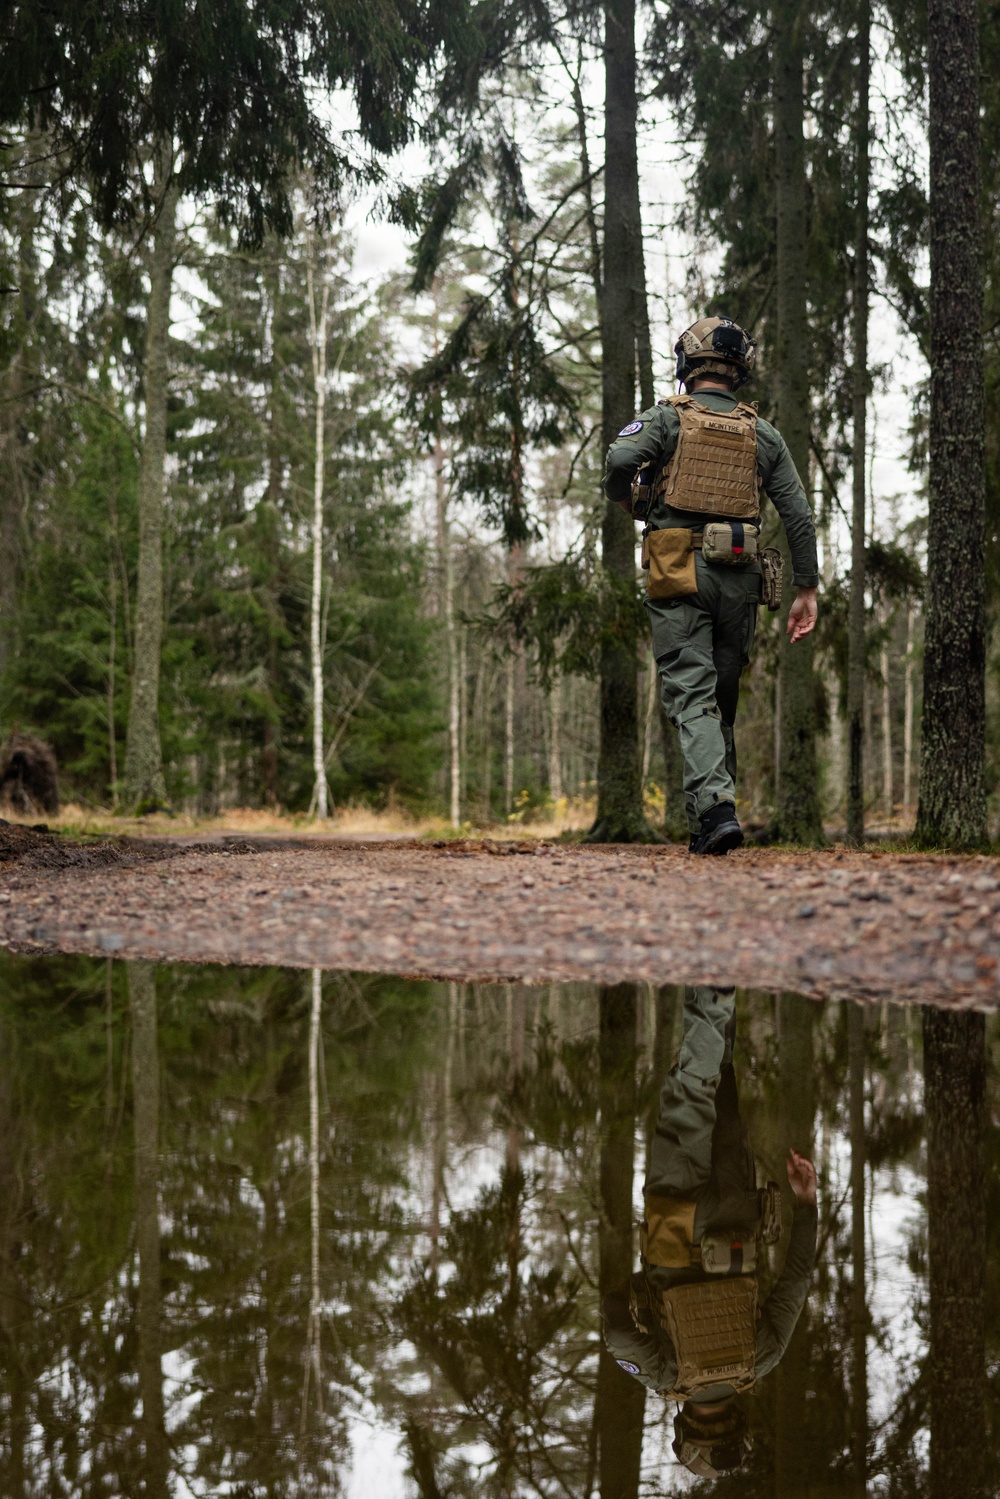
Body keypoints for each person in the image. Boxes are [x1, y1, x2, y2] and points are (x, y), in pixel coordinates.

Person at [602, 316, 819, 854]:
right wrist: (806, 589)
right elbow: (797, 514)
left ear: (688, 364)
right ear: (739, 369)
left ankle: (718, 809)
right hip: (741, 576)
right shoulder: (761, 432)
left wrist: (626, 499)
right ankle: (708, 825)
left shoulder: (668, 419)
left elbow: (620, 458)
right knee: (720, 701)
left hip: (678, 569)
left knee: (693, 696)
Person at [601, 985, 818, 1479]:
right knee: (692, 1087)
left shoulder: (759, 1362)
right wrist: (623, 1294)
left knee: (719, 1078)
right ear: (687, 1431)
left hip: (737, 1204)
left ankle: (723, 978)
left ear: (735, 1421)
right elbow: (615, 1329)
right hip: (675, 1216)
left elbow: (798, 1278)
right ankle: (716, 978)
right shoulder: (665, 1377)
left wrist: (806, 1201)